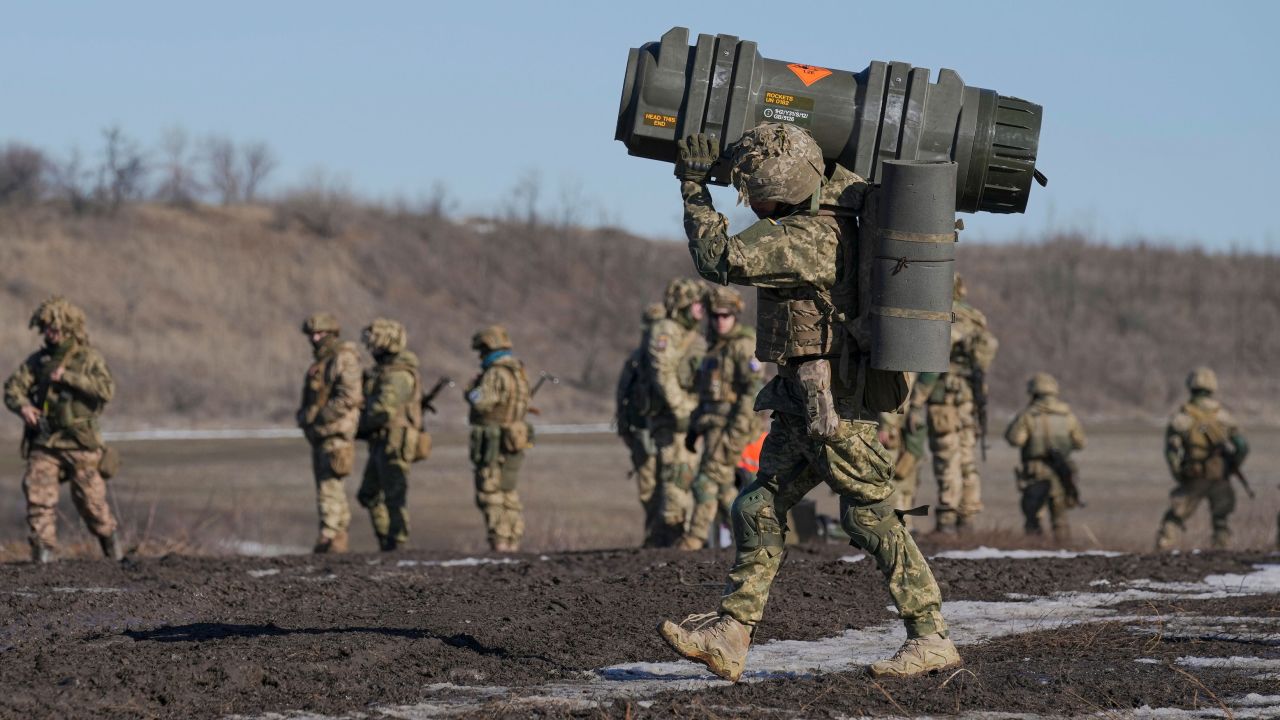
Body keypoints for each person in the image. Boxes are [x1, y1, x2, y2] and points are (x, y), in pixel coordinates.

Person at [658, 123, 959, 681]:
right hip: (806, 397)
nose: (753, 201)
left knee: (868, 518)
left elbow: (718, 259)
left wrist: (694, 186)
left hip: (836, 405)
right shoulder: (829, 212)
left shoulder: (805, 238)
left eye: (755, 190)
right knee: (756, 507)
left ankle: (931, 635)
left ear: (787, 186)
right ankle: (731, 634)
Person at [4, 296, 121, 563]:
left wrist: (68, 377)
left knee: (92, 504)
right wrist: (23, 407)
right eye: (45, 328)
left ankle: (113, 550)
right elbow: (13, 387)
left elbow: (106, 390)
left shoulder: (87, 358)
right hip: (46, 441)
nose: (49, 333)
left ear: (68, 327)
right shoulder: (39, 360)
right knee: (38, 496)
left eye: (53, 328)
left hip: (80, 442)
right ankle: (42, 555)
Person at [679, 286, 763, 550]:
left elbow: (752, 393)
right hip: (712, 427)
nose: (720, 321)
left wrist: (734, 435)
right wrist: (694, 427)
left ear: (735, 316)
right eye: (715, 316)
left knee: (705, 482)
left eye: (725, 316)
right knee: (725, 488)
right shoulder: (713, 348)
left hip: (731, 429)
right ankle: (751, 539)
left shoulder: (742, 345)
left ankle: (694, 540)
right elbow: (706, 395)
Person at [913, 274, 998, 534]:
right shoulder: (975, 316)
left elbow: (934, 362)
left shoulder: (943, 316)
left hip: (944, 400)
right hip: (969, 399)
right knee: (966, 457)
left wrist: (916, 401)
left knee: (946, 456)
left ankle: (948, 517)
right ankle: (968, 515)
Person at [1155, 367, 1248, 551]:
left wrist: (1179, 473)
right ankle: (1221, 560)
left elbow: (1172, 451)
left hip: (1194, 475)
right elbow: (1242, 446)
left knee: (1174, 517)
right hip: (1219, 475)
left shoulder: (1181, 418)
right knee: (1221, 520)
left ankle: (1161, 551)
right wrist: (1231, 466)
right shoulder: (1224, 416)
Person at [645, 278, 707, 547]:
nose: (701, 310)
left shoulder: (691, 334)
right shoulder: (666, 330)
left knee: (686, 475)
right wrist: (681, 409)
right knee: (675, 477)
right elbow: (663, 373)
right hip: (672, 420)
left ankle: (667, 537)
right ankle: (670, 534)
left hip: (689, 417)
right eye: (697, 304)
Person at [296, 312, 364, 554]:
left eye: (321, 333)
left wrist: (319, 416)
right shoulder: (322, 361)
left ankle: (330, 536)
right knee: (328, 485)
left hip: (335, 431)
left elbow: (350, 396)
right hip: (322, 432)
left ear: (332, 333)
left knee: (329, 485)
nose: (315, 338)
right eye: (312, 334)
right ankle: (335, 536)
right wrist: (307, 418)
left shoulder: (343, 358)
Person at [356, 318, 422, 551]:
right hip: (380, 440)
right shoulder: (382, 372)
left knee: (394, 495)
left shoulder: (399, 374)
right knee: (369, 494)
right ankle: (387, 541)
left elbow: (383, 409)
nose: (370, 348)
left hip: (395, 440)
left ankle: (397, 543)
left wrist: (358, 424)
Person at [465, 325, 532, 552]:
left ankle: (500, 543)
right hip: (514, 439)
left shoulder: (495, 373)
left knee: (491, 493)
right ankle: (513, 542)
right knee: (509, 492)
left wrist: (471, 390)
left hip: (493, 441)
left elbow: (481, 401)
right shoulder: (519, 372)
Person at [1003, 373, 1086, 540]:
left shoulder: (1028, 415)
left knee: (1034, 515)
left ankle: (1035, 550)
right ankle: (1064, 551)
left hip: (1036, 470)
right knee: (1060, 517)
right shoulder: (1067, 415)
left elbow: (1015, 439)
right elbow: (1080, 442)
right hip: (1061, 470)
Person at [615, 303, 666, 546]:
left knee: (670, 487)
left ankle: (667, 536)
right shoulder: (636, 361)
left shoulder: (672, 359)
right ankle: (654, 536)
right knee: (648, 489)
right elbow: (622, 395)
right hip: (642, 432)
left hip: (666, 432)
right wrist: (625, 428)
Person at [878, 373, 924, 531]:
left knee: (894, 480)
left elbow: (894, 397)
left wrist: (885, 427)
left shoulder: (901, 366)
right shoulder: (913, 361)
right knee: (903, 482)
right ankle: (904, 526)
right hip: (905, 430)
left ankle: (897, 526)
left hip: (895, 431)